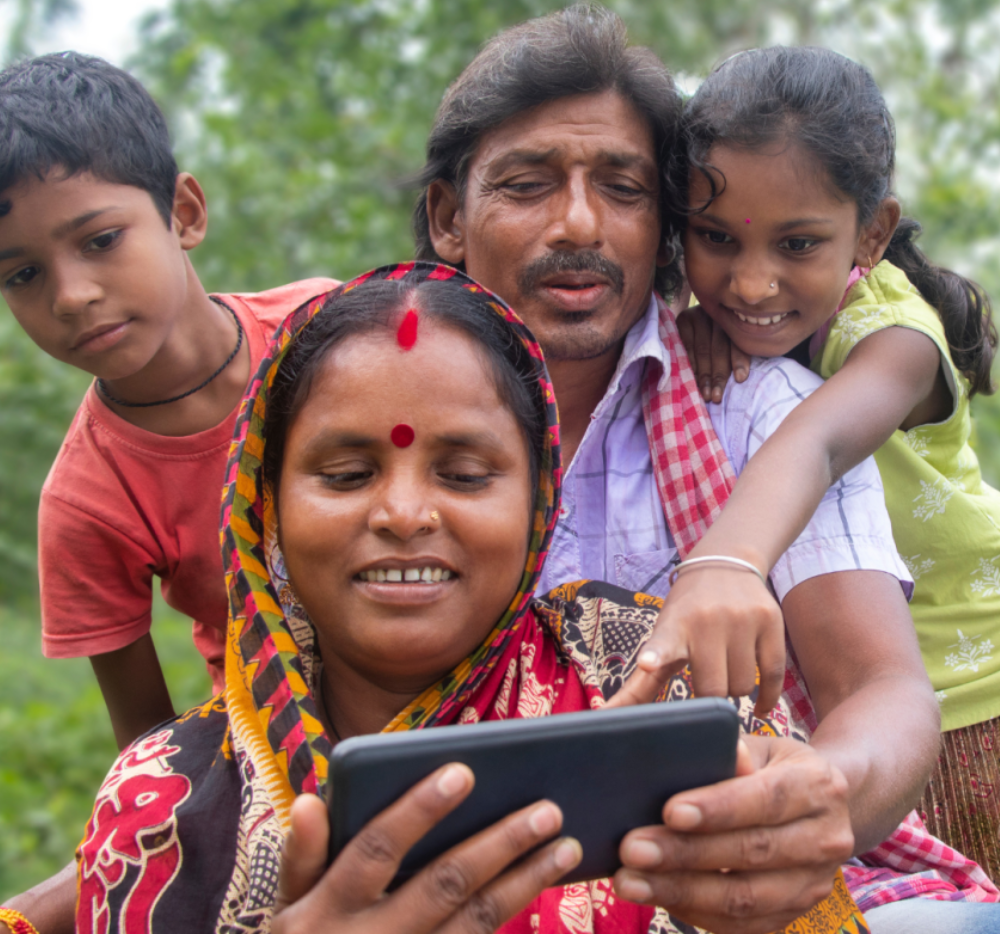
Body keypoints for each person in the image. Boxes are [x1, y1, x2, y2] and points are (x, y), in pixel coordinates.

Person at [69, 263, 974, 934]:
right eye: (345, 474)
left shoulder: (643, 673)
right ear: (265, 504)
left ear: (541, 498)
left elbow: (863, 736)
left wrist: (800, 830)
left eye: (465, 473)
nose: (404, 513)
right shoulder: (162, 808)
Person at [411, 3, 999, 924]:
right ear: (450, 217)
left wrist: (813, 799)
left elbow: (883, 692)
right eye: (527, 184)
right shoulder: (368, 412)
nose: (579, 224)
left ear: (663, 226)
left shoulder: (758, 403)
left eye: (624, 188)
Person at [669, 44, 1000, 884]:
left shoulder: (895, 342)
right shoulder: (736, 325)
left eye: (798, 244)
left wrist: (722, 563)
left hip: (972, 705)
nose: (749, 283)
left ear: (873, 231)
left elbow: (812, 443)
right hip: (876, 719)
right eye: (715, 239)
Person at [0, 52, 333, 749]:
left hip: (475, 679)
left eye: (100, 240)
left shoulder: (331, 327)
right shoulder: (87, 502)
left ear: (183, 213)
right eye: (23, 274)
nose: (70, 296)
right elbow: (148, 753)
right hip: (277, 749)